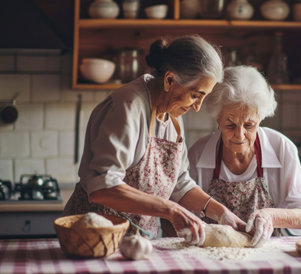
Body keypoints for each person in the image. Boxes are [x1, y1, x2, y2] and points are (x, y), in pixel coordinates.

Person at [64, 35, 245, 246]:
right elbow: (103, 186)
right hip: (96, 237)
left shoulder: (173, 116)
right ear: (170, 80)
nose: (197, 106)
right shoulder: (127, 107)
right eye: (196, 95)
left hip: (142, 241)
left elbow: (180, 184)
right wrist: (170, 209)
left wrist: (222, 213)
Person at [188, 65, 301, 247]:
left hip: (267, 256)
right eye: (230, 125)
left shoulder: (282, 148)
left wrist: (269, 215)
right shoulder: (198, 154)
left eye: (249, 125)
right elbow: (177, 220)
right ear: (217, 118)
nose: (240, 135)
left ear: (261, 118)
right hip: (213, 258)